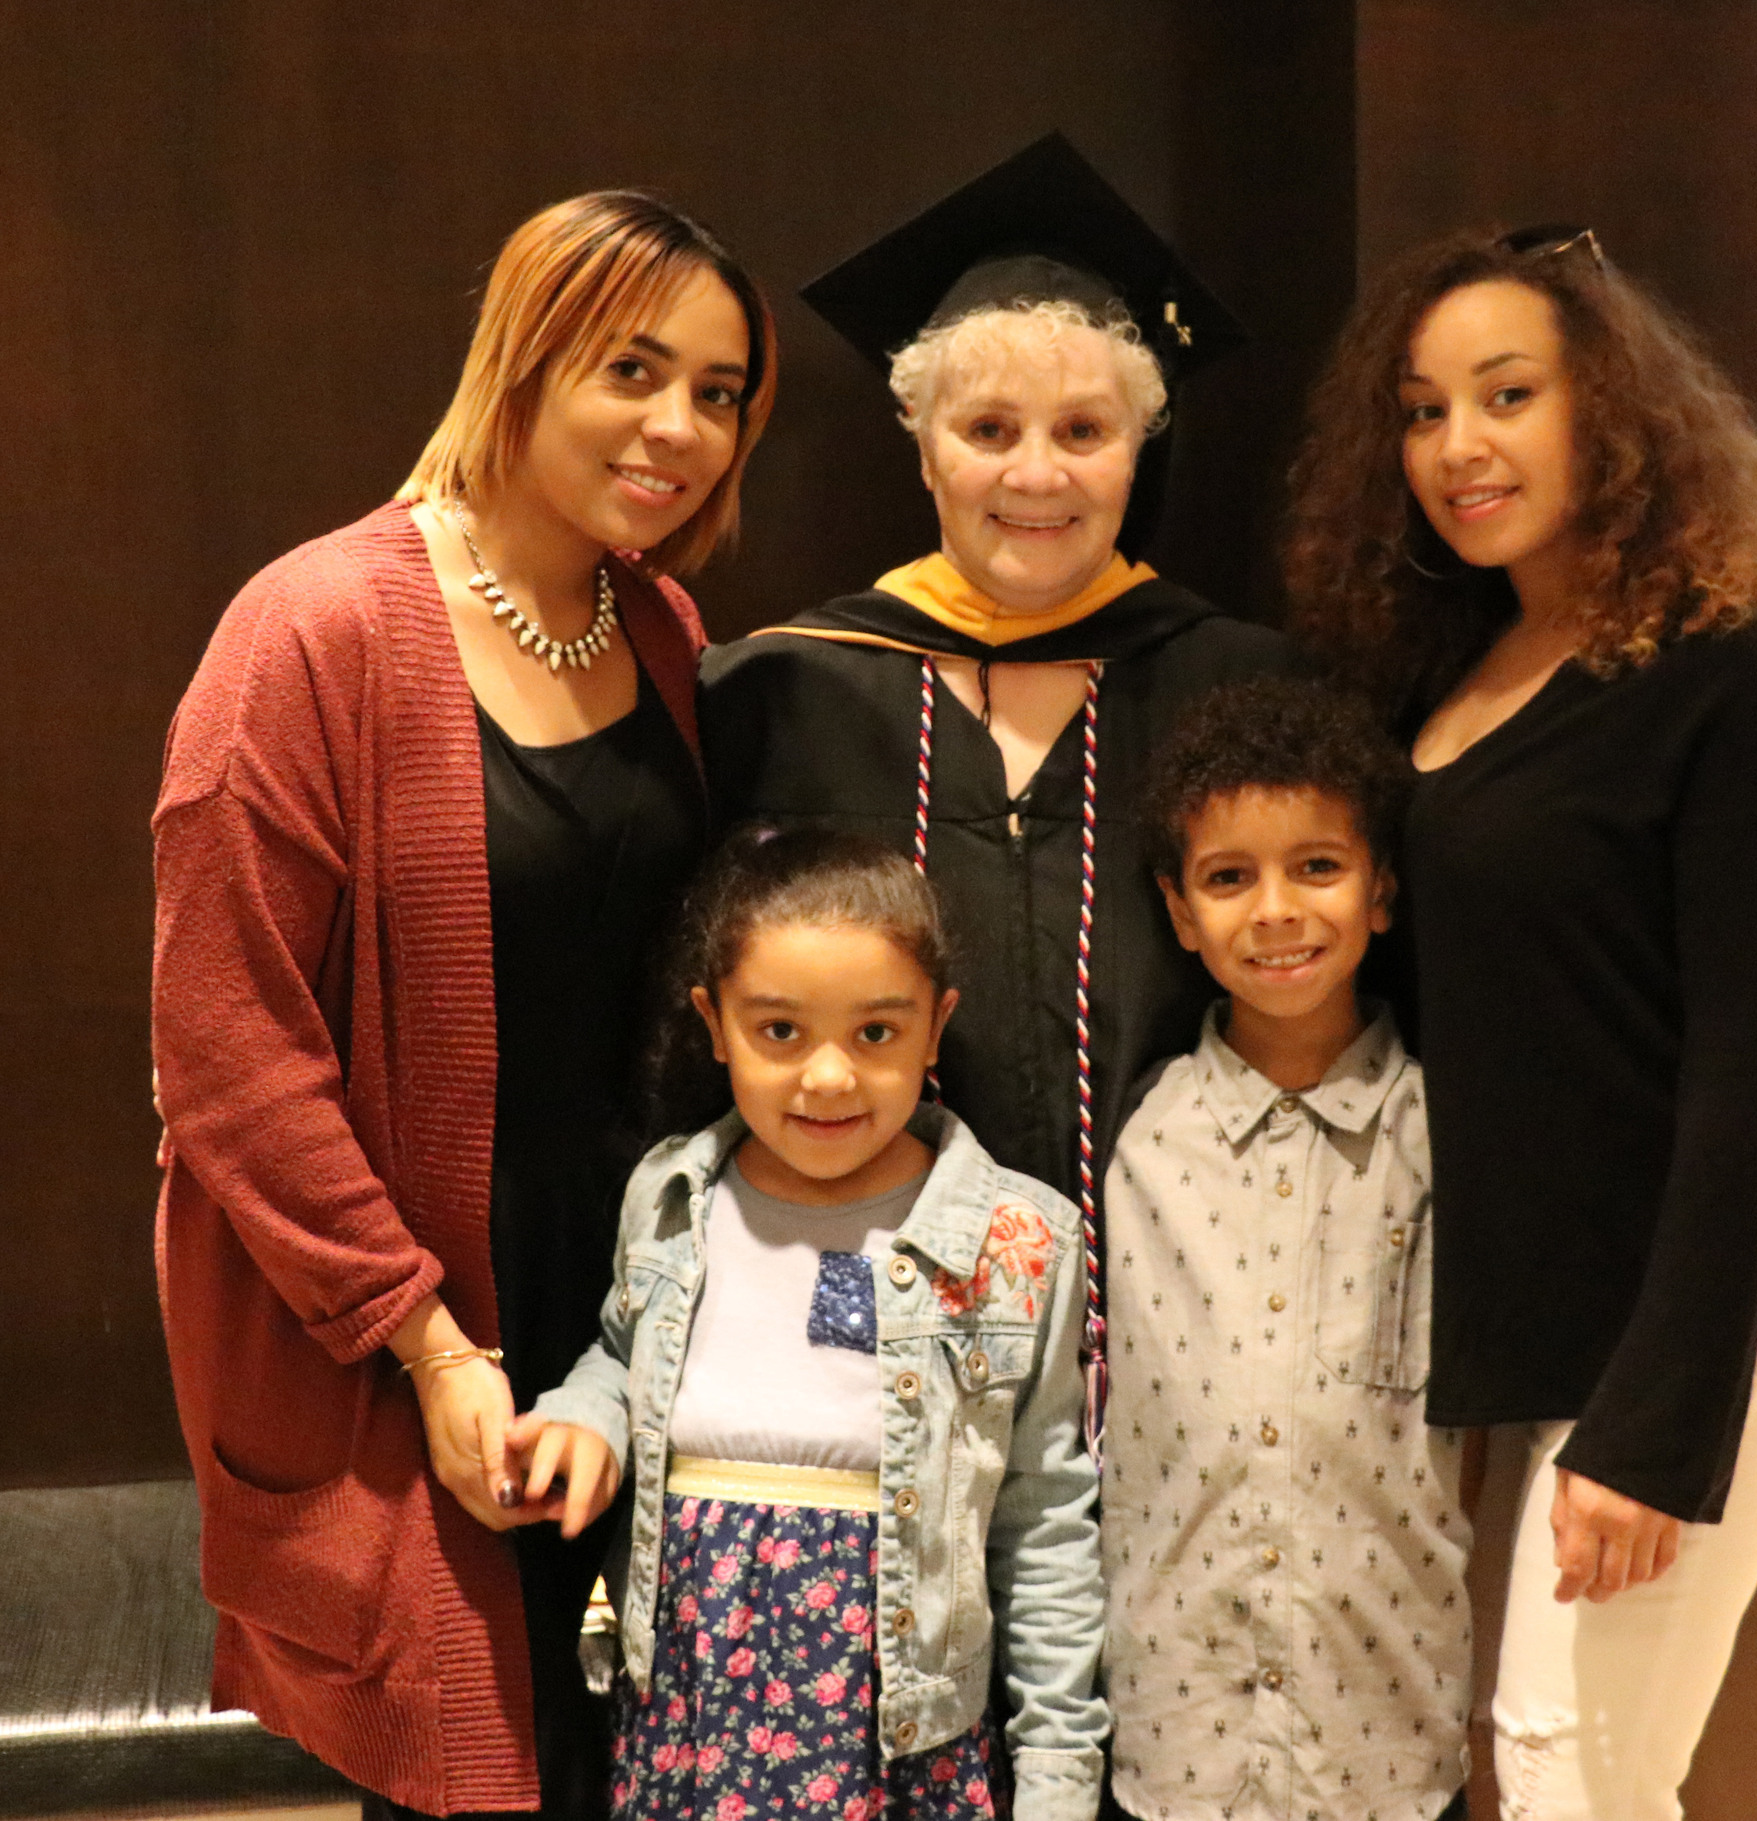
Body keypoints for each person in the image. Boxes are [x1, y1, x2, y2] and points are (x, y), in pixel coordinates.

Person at [150, 190, 776, 1818]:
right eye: (634, 370)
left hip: (631, 1278)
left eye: (719, 393)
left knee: (639, 1756)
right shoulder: (317, 630)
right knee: (473, 1762)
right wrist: (426, 1348)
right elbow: (228, 1058)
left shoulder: (656, 623)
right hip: (422, 1296)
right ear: (525, 353)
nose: (680, 428)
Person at [1285, 224, 1757, 1819]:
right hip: (1544, 1313)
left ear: (1609, 409)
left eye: (1506, 393)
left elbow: (1754, 1080)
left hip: (1700, 1320)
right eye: (1419, 410)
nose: (1458, 446)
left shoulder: (1733, 674)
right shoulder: (1457, 673)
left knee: (1566, 1771)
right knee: (1555, 1770)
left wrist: (1656, 1427)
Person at [701, 135, 1299, 1249]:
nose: (1036, 474)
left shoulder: (1245, 691)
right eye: (987, 431)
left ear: (1138, 449)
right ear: (923, 452)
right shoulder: (783, 693)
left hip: (1207, 1301)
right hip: (864, 1304)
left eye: (1083, 430)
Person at [508, 827, 1108, 1821]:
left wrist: (1057, 1776)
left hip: (899, 1739)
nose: (828, 1079)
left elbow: (1043, 1522)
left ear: (935, 1025)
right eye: (780, 1032)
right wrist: (587, 1416)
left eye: (875, 1033)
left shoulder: (1020, 1241)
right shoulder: (670, 1197)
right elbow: (621, 1356)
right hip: (688, 1724)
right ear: (715, 1022)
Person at [1101, 676, 1471, 1821]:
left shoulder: (1447, 1133)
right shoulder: (1134, 1144)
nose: (1275, 911)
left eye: (1316, 866)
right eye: (1229, 877)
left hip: (1391, 1747)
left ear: (1382, 890)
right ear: (1178, 910)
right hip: (1177, 1748)